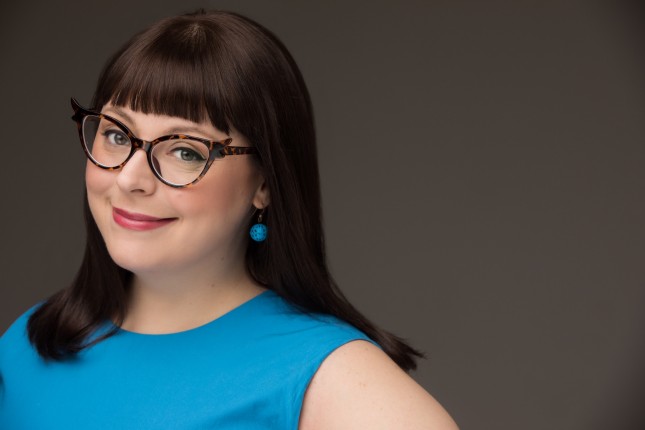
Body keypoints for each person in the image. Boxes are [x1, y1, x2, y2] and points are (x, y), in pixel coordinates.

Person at [0, 9, 458, 429]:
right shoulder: (27, 346)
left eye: (185, 151)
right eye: (118, 136)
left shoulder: (332, 378)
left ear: (265, 183)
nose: (130, 179)